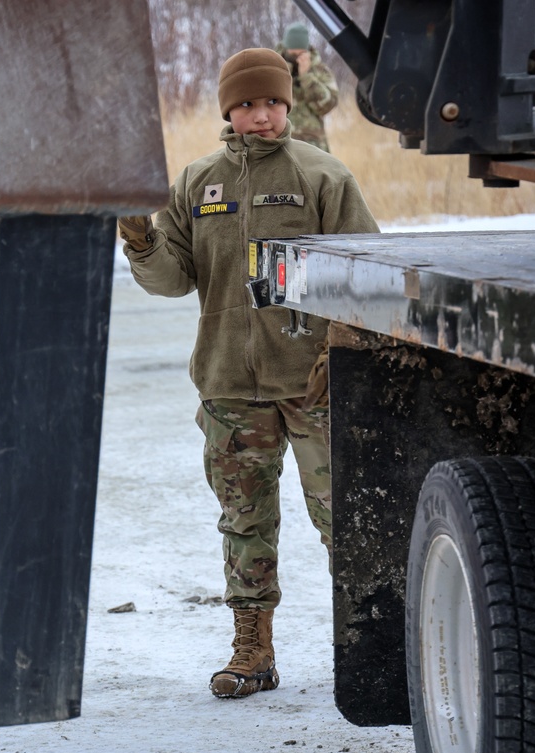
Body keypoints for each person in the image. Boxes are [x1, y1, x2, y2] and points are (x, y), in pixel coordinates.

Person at [117, 47, 378, 699]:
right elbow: (173, 280)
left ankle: (370, 646)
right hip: (230, 386)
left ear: (289, 106)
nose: (260, 116)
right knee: (244, 521)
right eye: (247, 104)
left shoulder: (322, 175)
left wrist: (338, 354)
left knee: (346, 517)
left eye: (271, 103)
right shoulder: (198, 182)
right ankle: (251, 650)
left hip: (312, 384)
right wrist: (141, 241)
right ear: (227, 110)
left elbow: (370, 277)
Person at [279, 21, 339, 151]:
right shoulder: (272, 67)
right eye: (293, 55)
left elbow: (326, 106)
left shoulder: (321, 71)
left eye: (300, 54)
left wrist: (307, 77)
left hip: (313, 146)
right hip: (280, 144)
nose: (296, 59)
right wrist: (285, 72)